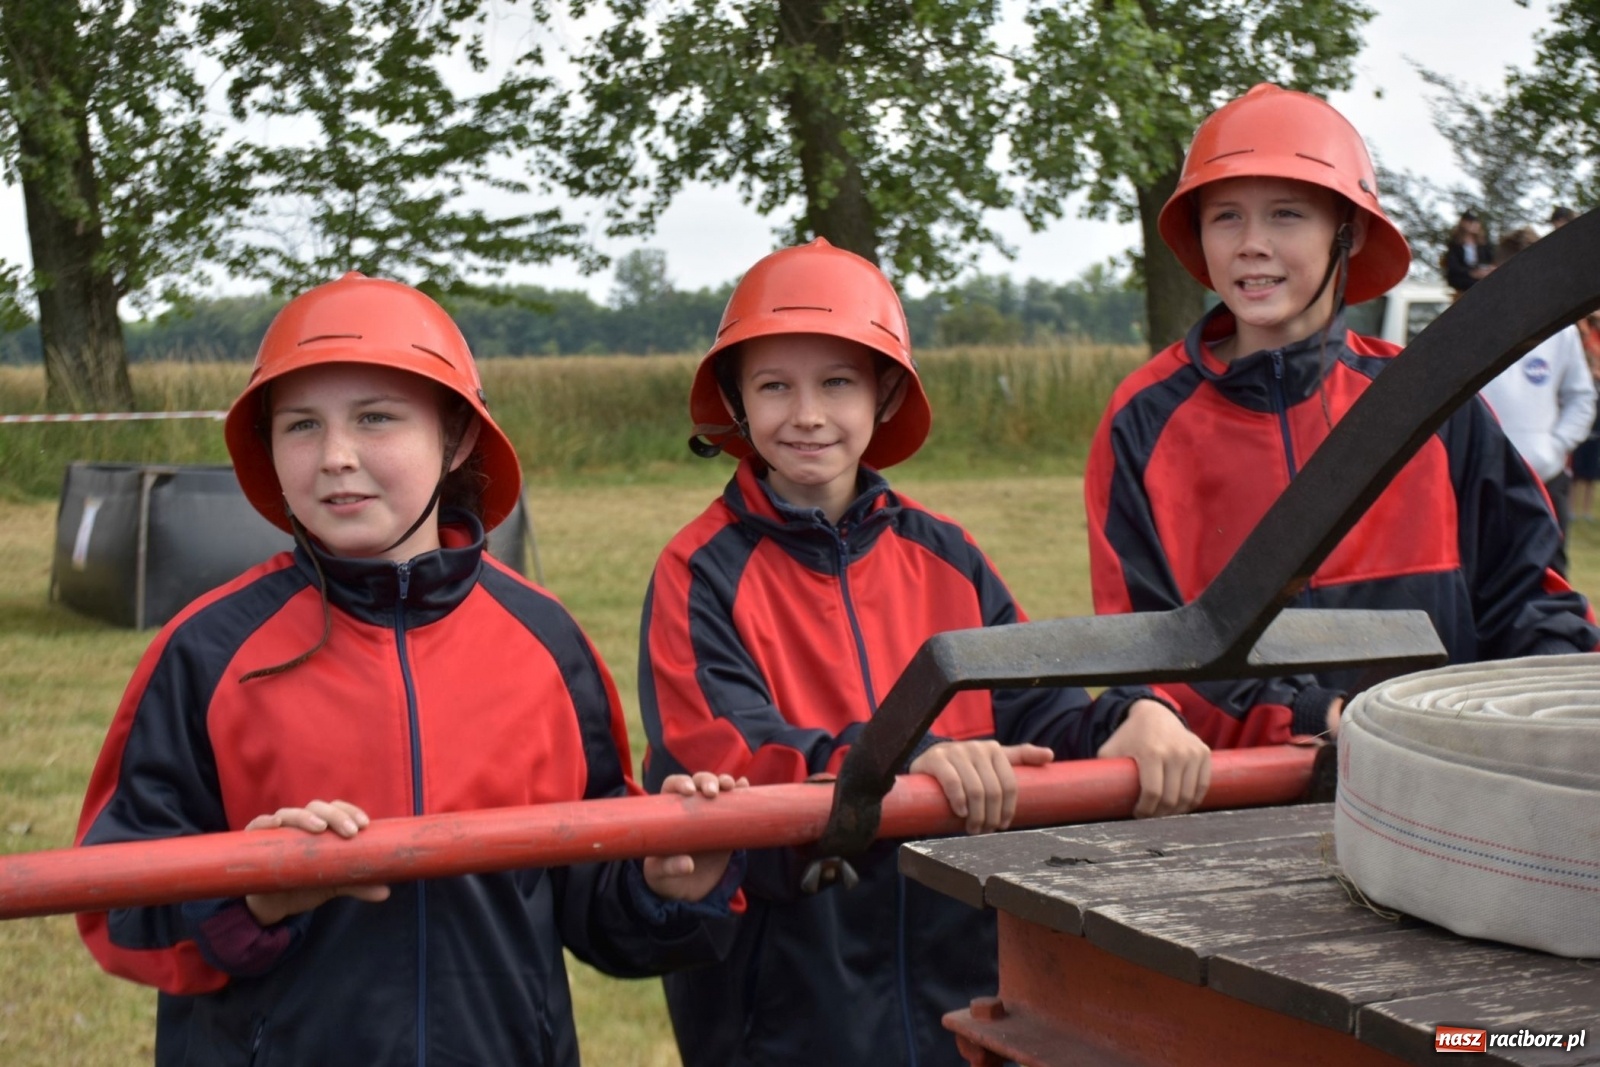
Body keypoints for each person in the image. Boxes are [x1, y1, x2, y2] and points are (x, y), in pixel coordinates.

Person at [74, 273, 745, 1066]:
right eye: (300, 426)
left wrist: (666, 885)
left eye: (376, 418)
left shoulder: (545, 642)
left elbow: (590, 899)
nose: (335, 457)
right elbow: (115, 906)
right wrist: (250, 894)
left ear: (457, 435)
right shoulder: (206, 651)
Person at [640, 237, 1211, 1066]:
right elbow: (729, 752)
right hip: (794, 991)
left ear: (885, 392)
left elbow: (1034, 701)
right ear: (735, 400)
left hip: (964, 970)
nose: (806, 414)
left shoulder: (948, 553)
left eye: (837, 382)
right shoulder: (698, 570)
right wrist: (908, 758)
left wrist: (1127, 719)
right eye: (774, 386)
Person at [1086, 84, 1599, 750]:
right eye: (1226, 217)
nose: (1253, 244)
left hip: (1446, 779)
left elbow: (1527, 596)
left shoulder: (1433, 400)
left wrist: (1553, 712)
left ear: (1348, 233)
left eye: (1287, 214)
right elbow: (1144, 652)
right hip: (1234, 804)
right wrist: (1312, 715)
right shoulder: (1142, 420)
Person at [1479, 227, 1597, 574]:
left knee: (1548, 581)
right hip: (1480, 485)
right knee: (1479, 582)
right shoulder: (1469, 329)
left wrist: (1555, 446)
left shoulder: (1561, 331)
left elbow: (1581, 397)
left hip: (1544, 480)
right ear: (1497, 271)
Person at [1574, 311, 1600, 522]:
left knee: (1593, 460)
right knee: (1579, 457)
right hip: (1585, 396)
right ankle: (1573, 507)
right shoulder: (1583, 334)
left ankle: (1585, 509)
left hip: (1596, 401)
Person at [1444, 209, 1495, 294]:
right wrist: (1471, 273)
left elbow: (1491, 260)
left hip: (1482, 274)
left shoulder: (1483, 244)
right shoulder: (1455, 244)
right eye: (1470, 222)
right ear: (1463, 223)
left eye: (1476, 222)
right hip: (1464, 277)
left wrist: (1488, 269)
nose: (1474, 225)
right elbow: (1453, 266)